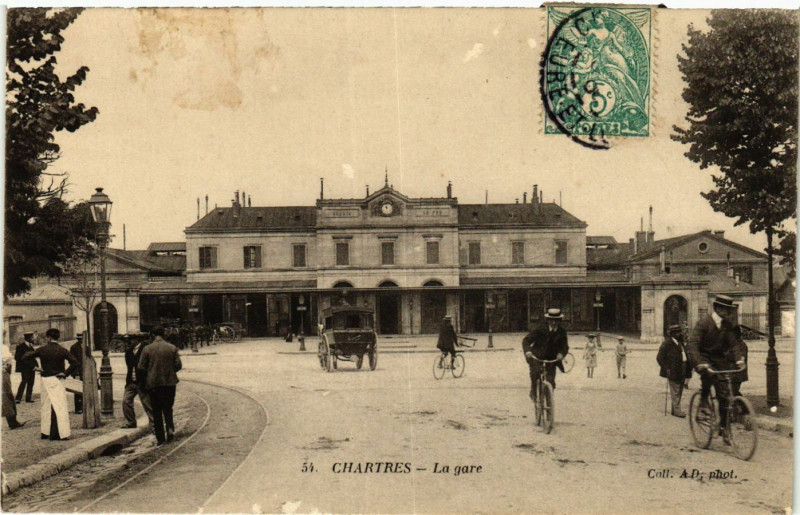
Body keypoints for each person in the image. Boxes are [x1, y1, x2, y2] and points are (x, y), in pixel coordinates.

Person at [686, 295, 744, 444]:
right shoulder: (704, 323)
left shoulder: (727, 325)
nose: (727, 312)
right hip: (703, 357)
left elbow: (734, 344)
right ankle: (703, 403)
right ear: (717, 308)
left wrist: (739, 359)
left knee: (724, 394)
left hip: (719, 359)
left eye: (729, 310)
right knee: (708, 376)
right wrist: (699, 363)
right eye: (724, 309)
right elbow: (692, 344)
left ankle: (724, 428)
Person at [24, 328, 79, 440]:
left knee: (45, 406)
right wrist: (65, 373)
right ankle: (63, 433)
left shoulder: (42, 349)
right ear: (57, 337)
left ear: (48, 337)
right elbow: (75, 362)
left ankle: (45, 432)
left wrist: (34, 367)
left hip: (45, 379)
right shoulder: (62, 350)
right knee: (60, 406)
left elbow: (24, 357)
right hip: (57, 379)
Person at [137, 325, 182, 446]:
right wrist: (169, 371)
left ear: (152, 335)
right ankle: (170, 429)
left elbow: (141, 367)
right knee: (168, 407)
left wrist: (150, 373)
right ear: (164, 334)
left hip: (154, 384)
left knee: (156, 411)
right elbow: (178, 365)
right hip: (169, 383)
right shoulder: (172, 347)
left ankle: (160, 438)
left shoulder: (147, 349)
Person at [522, 308, 569, 397]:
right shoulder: (540, 329)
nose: (554, 323)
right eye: (551, 320)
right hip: (537, 357)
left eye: (556, 320)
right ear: (548, 320)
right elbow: (526, 341)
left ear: (559, 320)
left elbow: (565, 347)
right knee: (535, 374)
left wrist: (561, 354)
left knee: (551, 381)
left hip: (551, 359)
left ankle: (549, 400)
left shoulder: (562, 332)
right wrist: (528, 351)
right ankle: (534, 391)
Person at [657, 325, 691, 418]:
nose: (680, 333)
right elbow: (659, 358)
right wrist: (667, 368)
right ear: (673, 334)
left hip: (682, 369)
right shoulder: (666, 344)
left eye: (680, 331)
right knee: (675, 390)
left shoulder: (680, 343)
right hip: (673, 370)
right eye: (678, 332)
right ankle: (677, 411)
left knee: (679, 390)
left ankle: (674, 409)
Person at [122, 336, 154, 429]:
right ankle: (131, 422)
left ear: (137, 339)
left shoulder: (145, 349)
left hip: (142, 382)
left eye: (131, 339)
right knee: (125, 401)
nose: (129, 341)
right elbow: (129, 367)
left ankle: (154, 424)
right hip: (131, 382)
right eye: (129, 339)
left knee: (147, 404)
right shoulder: (128, 352)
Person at [3, 355, 26, 429]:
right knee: (6, 397)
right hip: (3, 373)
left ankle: (13, 421)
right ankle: (12, 422)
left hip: (5, 371)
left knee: (8, 397)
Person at [14, 333, 37, 404]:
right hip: (25, 368)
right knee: (24, 381)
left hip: (32, 367)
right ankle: (18, 398)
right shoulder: (20, 346)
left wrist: (35, 365)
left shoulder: (31, 346)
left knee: (31, 382)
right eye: (32, 337)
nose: (33, 339)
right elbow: (17, 357)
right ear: (28, 338)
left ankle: (28, 398)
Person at [69, 335, 84, 414]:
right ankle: (78, 408)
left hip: (85, 371)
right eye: (79, 339)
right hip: (77, 371)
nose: (81, 340)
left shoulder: (86, 347)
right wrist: (76, 373)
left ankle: (84, 406)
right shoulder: (73, 347)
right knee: (77, 390)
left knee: (85, 389)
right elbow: (72, 361)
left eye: (82, 339)